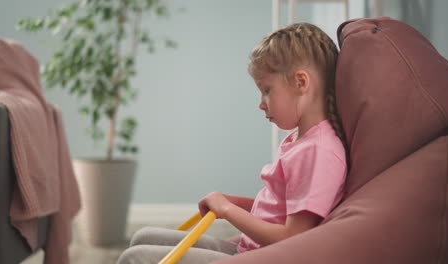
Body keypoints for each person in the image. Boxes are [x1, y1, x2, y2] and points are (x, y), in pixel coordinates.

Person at [117, 22, 348, 264]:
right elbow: (277, 211)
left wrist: (228, 211)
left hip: (265, 257)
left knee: (136, 258)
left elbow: (293, 236)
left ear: (301, 82)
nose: (261, 103)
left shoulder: (318, 151)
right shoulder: (300, 141)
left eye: (267, 90)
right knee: (143, 237)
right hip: (248, 249)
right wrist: (232, 203)